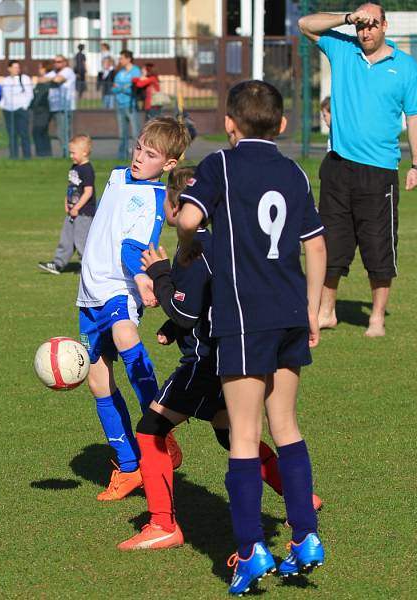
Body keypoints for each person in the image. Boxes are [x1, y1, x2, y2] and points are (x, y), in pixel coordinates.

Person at [117, 168, 322, 551]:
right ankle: (300, 499)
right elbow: (207, 302)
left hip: (207, 362)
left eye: (166, 202)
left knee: (150, 430)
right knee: (229, 432)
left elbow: (188, 313)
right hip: (231, 352)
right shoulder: (216, 243)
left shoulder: (194, 250)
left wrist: (160, 275)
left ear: (177, 208)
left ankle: (163, 524)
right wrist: (173, 328)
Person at [176, 80, 327, 595]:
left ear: (230, 124)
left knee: (243, 434)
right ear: (282, 125)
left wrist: (186, 243)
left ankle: (249, 550)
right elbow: (317, 247)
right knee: (285, 424)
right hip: (288, 313)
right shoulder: (294, 171)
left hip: (244, 316)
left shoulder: (220, 164)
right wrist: (312, 310)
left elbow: (190, 217)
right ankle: (305, 537)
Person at [77, 117, 192, 501]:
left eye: (151, 154)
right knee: (97, 380)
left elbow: (133, 246)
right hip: (89, 291)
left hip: (119, 287)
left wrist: (142, 280)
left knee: (126, 335)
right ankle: (129, 468)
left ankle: (160, 429)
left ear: (170, 163)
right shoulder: (116, 176)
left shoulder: (152, 197)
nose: (140, 157)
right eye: (139, 147)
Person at [299, 3, 417, 337]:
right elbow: (304, 24)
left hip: (379, 171)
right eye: (361, 26)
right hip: (338, 167)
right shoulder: (343, 49)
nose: (365, 32)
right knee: (332, 244)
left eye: (372, 25)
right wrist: (345, 18)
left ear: (385, 25)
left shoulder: (406, 67)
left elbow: (415, 116)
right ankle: (326, 312)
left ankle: (376, 319)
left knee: (378, 246)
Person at [38, 135, 96, 275]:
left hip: (83, 213)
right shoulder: (74, 167)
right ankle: (58, 264)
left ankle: (86, 267)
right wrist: (67, 202)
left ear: (84, 152)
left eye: (73, 152)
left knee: (81, 240)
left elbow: (88, 192)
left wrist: (77, 207)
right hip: (72, 212)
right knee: (66, 238)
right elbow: (71, 187)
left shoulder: (87, 169)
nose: (71, 155)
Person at [0, 60, 33, 159]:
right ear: (9, 69)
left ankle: (27, 156)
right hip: (8, 110)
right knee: (12, 134)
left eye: (18, 67)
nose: (16, 69)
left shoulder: (24, 79)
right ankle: (13, 156)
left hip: (21, 109)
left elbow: (29, 94)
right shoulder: (5, 81)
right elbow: (2, 96)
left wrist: (24, 106)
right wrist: (2, 106)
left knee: (24, 134)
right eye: (14, 67)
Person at [43, 55, 77, 158]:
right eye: (55, 62)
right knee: (61, 132)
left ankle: (68, 153)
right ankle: (68, 153)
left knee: (63, 132)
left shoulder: (68, 71)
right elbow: (40, 79)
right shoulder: (53, 72)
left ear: (64, 62)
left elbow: (58, 80)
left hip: (65, 107)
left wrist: (49, 79)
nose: (57, 63)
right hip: (55, 106)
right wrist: (50, 78)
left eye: (59, 61)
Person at [112, 50, 142, 160]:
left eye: (122, 58)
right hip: (120, 105)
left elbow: (133, 89)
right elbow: (113, 89)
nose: (120, 60)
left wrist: (121, 87)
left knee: (135, 133)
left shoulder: (135, 71)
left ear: (128, 58)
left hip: (131, 105)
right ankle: (122, 156)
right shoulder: (120, 73)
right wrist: (123, 87)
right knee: (122, 134)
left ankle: (137, 156)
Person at [31, 61, 54, 157]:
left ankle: (41, 153)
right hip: (40, 110)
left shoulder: (46, 81)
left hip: (43, 110)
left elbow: (40, 96)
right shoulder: (44, 81)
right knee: (43, 132)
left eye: (41, 68)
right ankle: (46, 153)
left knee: (37, 131)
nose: (39, 70)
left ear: (45, 68)